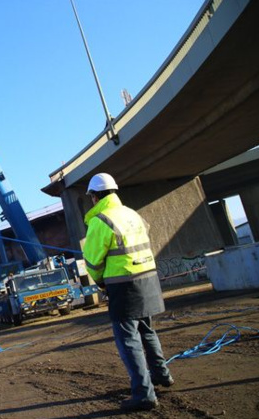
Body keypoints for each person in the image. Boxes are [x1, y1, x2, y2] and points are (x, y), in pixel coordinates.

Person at [82, 173, 174, 412]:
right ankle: (162, 374)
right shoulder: (133, 214)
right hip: (148, 279)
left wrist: (102, 283)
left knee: (128, 340)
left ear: (95, 196)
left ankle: (144, 394)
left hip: (124, 286)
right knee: (147, 330)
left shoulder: (100, 221)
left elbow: (92, 262)